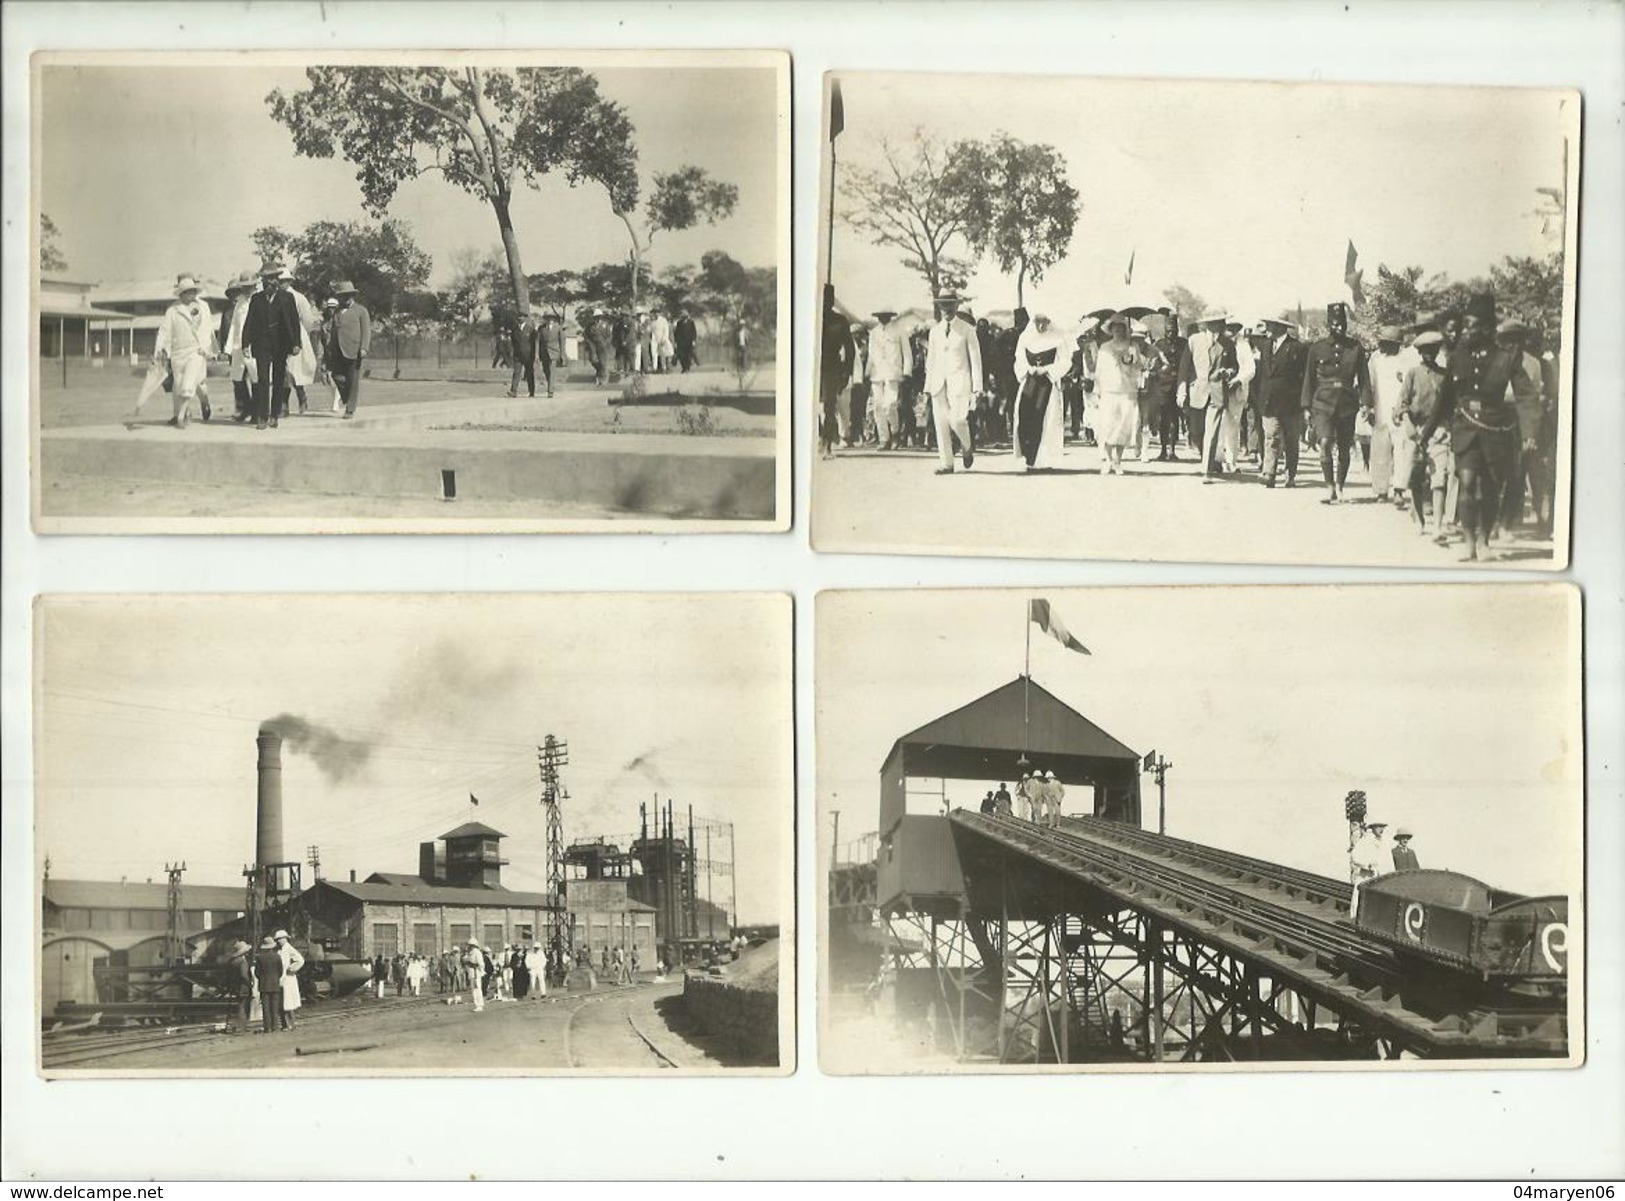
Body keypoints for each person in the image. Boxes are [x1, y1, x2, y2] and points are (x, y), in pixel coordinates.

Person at [1418, 292, 1540, 562]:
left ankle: (1484, 539)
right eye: (1466, 325)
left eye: (1473, 325)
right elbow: (1444, 400)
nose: (1467, 330)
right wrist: (1425, 435)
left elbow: (1526, 396)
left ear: (1486, 328)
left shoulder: (1506, 357)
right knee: (1468, 481)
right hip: (1465, 430)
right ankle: (1469, 543)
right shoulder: (1457, 357)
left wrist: (1530, 433)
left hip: (1495, 430)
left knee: (1491, 488)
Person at [1301, 301, 1372, 505]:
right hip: (1322, 403)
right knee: (1324, 442)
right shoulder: (1317, 348)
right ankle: (1329, 486)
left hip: (1347, 403)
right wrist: (1306, 407)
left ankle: (1340, 486)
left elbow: (1364, 378)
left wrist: (1366, 403)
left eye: (1341, 323)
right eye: (1334, 323)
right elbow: (1309, 379)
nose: (1338, 327)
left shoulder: (1355, 347)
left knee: (1343, 447)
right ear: (1328, 324)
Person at [133, 276, 218, 430]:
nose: (191, 295)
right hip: (178, 354)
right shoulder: (172, 310)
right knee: (178, 385)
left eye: (193, 291)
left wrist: (206, 348)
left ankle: (188, 411)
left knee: (193, 381)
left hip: (196, 351)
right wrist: (159, 350)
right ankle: (183, 412)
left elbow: (207, 329)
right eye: (187, 292)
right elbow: (164, 332)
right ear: (181, 294)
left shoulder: (203, 306)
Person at [1396, 330, 1451, 539]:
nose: (1430, 353)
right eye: (1425, 350)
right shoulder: (1412, 374)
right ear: (1419, 352)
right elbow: (1402, 403)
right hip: (1415, 431)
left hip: (1438, 431)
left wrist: (1446, 428)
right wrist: (1408, 424)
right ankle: (1419, 519)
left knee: (1440, 478)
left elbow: (1449, 405)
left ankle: (1437, 525)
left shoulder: (1444, 375)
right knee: (1416, 478)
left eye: (1434, 349)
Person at [925, 291, 983, 475]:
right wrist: (927, 387)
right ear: (939, 307)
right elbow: (931, 360)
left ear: (957, 306)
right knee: (941, 422)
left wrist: (978, 387)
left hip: (960, 381)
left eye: (950, 304)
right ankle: (947, 464)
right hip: (938, 382)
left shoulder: (967, 329)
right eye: (943, 305)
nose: (946, 309)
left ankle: (967, 446)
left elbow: (975, 360)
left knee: (957, 420)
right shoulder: (934, 331)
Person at [1011, 311, 1069, 471]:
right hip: (1029, 382)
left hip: (1047, 383)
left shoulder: (1057, 338)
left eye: (1044, 322)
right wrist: (1028, 369)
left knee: (1047, 420)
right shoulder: (1025, 337)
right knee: (1025, 416)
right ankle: (1030, 459)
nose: (1041, 326)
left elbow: (1066, 361)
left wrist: (1048, 370)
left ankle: (1043, 461)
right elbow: (1019, 359)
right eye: (1038, 322)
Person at [1367, 326, 1419, 504]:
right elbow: (1370, 384)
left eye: (1386, 343)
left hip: (1400, 411)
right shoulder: (1375, 359)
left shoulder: (1407, 359)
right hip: (1379, 409)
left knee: (1402, 451)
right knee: (1380, 452)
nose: (1382, 346)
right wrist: (1368, 408)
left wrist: (1405, 409)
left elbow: (1410, 386)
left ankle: (1399, 489)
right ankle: (1381, 490)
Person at [1256, 317, 1308, 487]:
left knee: (1292, 440)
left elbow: (1305, 377)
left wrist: (1305, 401)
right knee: (1271, 436)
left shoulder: (1297, 348)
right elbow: (1262, 374)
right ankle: (1268, 473)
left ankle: (1290, 474)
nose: (1267, 328)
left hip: (1291, 402)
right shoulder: (1265, 346)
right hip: (1268, 401)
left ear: (1280, 327)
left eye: (1270, 325)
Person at [1091, 314, 1145, 475]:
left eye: (1121, 328)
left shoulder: (1133, 346)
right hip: (1109, 390)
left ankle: (1118, 461)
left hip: (1127, 391)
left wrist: (1132, 357)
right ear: (1111, 330)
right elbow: (1099, 370)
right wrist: (1097, 389)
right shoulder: (1105, 347)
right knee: (1108, 426)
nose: (1118, 331)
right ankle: (1108, 459)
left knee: (1123, 426)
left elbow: (1139, 367)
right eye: (1115, 328)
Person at [1180, 315, 1232, 480]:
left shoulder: (1228, 343)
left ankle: (1207, 471)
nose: (1219, 325)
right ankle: (1209, 460)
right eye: (1216, 322)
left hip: (1216, 392)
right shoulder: (1194, 340)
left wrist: (1228, 372)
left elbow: (1234, 366)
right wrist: (1181, 390)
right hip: (1197, 391)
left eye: (1221, 322)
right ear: (1207, 324)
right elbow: (1184, 368)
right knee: (1196, 431)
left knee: (1211, 432)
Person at [819, 286, 855, 460]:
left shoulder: (840, 321)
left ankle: (827, 443)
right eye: (824, 298)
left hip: (831, 367)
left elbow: (850, 349)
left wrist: (846, 372)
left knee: (829, 405)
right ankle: (819, 437)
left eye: (829, 298)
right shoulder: (810, 317)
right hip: (811, 366)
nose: (826, 302)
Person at [866, 310, 911, 450]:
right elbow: (871, 354)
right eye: (879, 315)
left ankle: (895, 432)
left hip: (893, 372)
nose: (882, 317)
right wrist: (866, 372)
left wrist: (907, 371)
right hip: (877, 372)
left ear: (890, 316)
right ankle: (884, 439)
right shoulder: (873, 333)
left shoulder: (899, 331)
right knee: (878, 406)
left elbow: (907, 353)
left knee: (890, 405)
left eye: (884, 315)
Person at [280, 269, 321, 416]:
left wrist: (301, 335)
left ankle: (302, 397)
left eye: (284, 280)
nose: (282, 283)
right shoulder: (275, 297)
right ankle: (283, 405)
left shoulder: (299, 297)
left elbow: (308, 320)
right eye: (280, 281)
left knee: (295, 370)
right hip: (280, 338)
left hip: (296, 336)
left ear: (290, 281)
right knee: (282, 371)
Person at [328, 281, 371, 419]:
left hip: (354, 350)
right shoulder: (337, 311)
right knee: (336, 376)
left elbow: (366, 331)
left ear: (352, 296)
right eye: (342, 296)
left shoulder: (361, 311)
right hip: (338, 350)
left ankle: (350, 409)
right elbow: (334, 331)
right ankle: (346, 397)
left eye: (347, 295)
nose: (345, 298)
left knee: (353, 379)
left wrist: (364, 347)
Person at [218, 273, 258, 424]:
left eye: (249, 287)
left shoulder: (258, 300)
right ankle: (246, 408)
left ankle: (256, 412)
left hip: (254, 346)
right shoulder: (238, 305)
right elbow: (234, 326)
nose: (247, 291)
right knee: (237, 379)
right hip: (238, 346)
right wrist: (227, 348)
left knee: (256, 380)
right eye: (244, 288)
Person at [1143, 319, 1184, 462]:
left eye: (1173, 330)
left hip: (1178, 385)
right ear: (1164, 331)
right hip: (1162, 386)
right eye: (1168, 331)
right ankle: (1163, 450)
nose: (1171, 333)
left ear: (1177, 330)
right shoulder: (1159, 345)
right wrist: (1161, 371)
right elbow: (1153, 365)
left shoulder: (1183, 344)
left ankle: (1172, 450)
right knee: (1163, 420)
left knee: (1175, 419)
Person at [1348, 820, 1390, 918]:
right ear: (1373, 827)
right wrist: (1367, 865)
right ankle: (1357, 920)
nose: (1381, 829)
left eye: (1383, 827)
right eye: (1379, 826)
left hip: (1380, 877)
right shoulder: (1365, 840)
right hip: (1366, 877)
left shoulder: (1384, 842)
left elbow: (1388, 860)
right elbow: (1355, 856)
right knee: (1362, 900)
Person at [272, 929, 305, 1030]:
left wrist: (292, 968)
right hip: (281, 978)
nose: (278, 941)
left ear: (285, 939)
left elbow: (300, 960)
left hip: (288, 979)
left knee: (288, 1002)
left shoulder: (289, 948)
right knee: (283, 1002)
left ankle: (291, 1024)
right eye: (277, 939)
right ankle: (285, 1024)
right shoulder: (279, 950)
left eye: (280, 939)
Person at [254, 936, 285, 1033]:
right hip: (275, 984)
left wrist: (263, 978)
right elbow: (281, 971)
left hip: (263, 985)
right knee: (275, 1007)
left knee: (266, 1007)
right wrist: (275, 978)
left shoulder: (259, 957)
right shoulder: (277, 956)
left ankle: (267, 1027)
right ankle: (275, 1026)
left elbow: (257, 972)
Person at [507, 310, 540, 399]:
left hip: (528, 355)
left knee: (529, 373)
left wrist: (536, 355)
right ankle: (513, 391)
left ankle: (531, 391)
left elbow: (535, 342)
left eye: (522, 316)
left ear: (525, 318)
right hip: (517, 355)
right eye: (518, 316)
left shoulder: (530, 329)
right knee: (516, 373)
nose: (520, 318)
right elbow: (513, 343)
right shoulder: (515, 330)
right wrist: (512, 353)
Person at [540, 314, 564, 398]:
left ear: (554, 319)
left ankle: (550, 391)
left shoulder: (558, 328)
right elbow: (539, 342)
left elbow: (562, 341)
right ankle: (550, 385)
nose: (549, 320)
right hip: (544, 353)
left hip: (554, 352)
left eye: (551, 318)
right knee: (546, 371)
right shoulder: (541, 328)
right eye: (547, 318)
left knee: (551, 371)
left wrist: (562, 354)